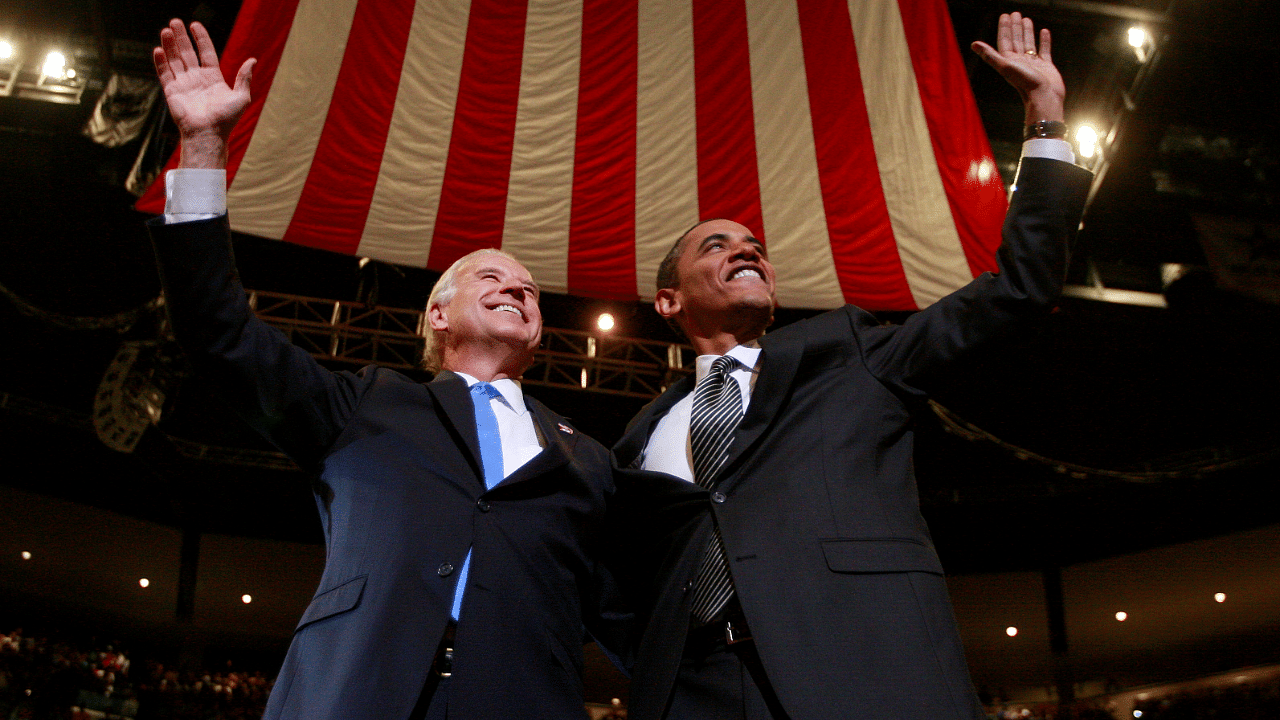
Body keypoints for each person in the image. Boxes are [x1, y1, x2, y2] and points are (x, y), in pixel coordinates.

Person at [608, 13, 1094, 720]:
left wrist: (1045, 117)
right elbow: (610, 586)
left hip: (864, 673)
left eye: (755, 245)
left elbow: (1020, 287)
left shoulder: (853, 355)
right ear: (668, 299)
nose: (747, 250)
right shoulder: (634, 444)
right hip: (693, 694)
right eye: (717, 245)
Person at [147, 20, 626, 720]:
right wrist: (202, 145)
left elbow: (633, 613)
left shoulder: (592, 460)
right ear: (436, 315)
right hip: (356, 692)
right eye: (491, 277)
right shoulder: (366, 405)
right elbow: (219, 332)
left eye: (529, 289)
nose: (518, 289)